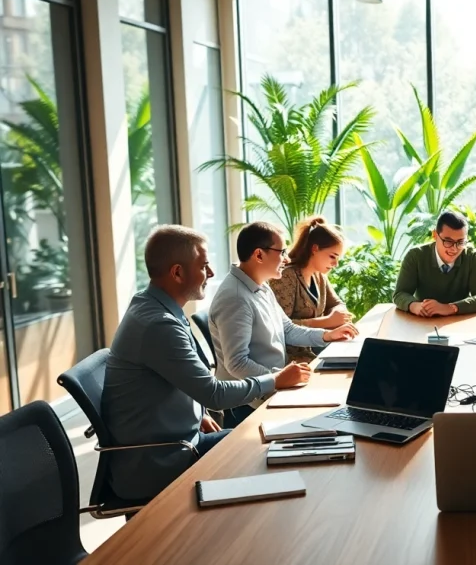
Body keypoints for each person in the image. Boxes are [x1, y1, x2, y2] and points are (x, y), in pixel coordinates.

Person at [102, 225, 312, 501]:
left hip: (177, 441)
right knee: (269, 455)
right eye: (204, 266)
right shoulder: (159, 325)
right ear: (177, 272)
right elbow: (214, 394)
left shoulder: (154, 308)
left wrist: (197, 414)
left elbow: (176, 380)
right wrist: (275, 380)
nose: (211, 274)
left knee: (271, 447)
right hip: (160, 461)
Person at [210, 221, 358, 427]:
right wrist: (278, 378)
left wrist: (327, 335)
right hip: (247, 405)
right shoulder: (235, 298)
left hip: (272, 388)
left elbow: (287, 329)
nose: (287, 259)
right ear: (259, 255)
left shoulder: (260, 285)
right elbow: (236, 364)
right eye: (282, 252)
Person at [269, 215, 353, 364]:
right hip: (293, 360)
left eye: (338, 258)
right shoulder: (286, 277)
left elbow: (337, 303)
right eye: (332, 256)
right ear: (315, 248)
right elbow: (282, 327)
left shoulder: (319, 275)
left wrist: (338, 314)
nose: (335, 264)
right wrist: (327, 321)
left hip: (317, 349)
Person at [393, 211, 476, 317]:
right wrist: (414, 306)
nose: (454, 248)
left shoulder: (473, 257)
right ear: (435, 235)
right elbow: (400, 294)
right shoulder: (416, 256)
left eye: (461, 242)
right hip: (423, 320)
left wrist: (450, 308)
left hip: (460, 321)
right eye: (448, 241)